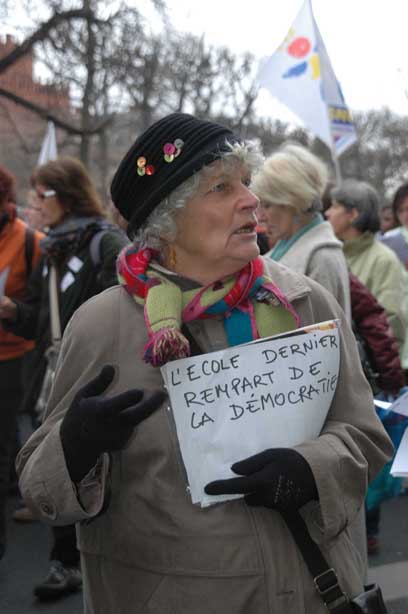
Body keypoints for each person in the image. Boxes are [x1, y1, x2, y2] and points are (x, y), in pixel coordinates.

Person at [13, 114, 391, 614]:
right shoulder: (104, 325)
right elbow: (41, 490)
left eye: (247, 183)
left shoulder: (303, 301)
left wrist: (310, 468)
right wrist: (75, 447)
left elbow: (366, 436)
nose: (251, 200)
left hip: (315, 591)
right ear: (166, 221)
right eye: (221, 187)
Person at [0, 157, 128, 599]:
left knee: (96, 467)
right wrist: (13, 311)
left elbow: (128, 305)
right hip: (50, 376)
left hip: (94, 375)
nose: (35, 204)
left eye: (42, 195)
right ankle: (65, 561)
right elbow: (39, 319)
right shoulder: (53, 245)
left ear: (66, 194)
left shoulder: (104, 242)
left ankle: (92, 564)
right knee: (59, 462)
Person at [252, 143, 350, 318]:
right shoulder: (289, 244)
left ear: (294, 201)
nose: (260, 217)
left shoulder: (322, 256)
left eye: (267, 205)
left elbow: (322, 334)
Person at [0, 165, 43, 560]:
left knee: (11, 431)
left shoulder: (31, 242)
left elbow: (42, 310)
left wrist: (12, 308)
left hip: (15, 356)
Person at [325, 179, 405, 348]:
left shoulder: (383, 259)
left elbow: (391, 321)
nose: (328, 213)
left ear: (353, 214)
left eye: (334, 206)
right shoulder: (334, 255)